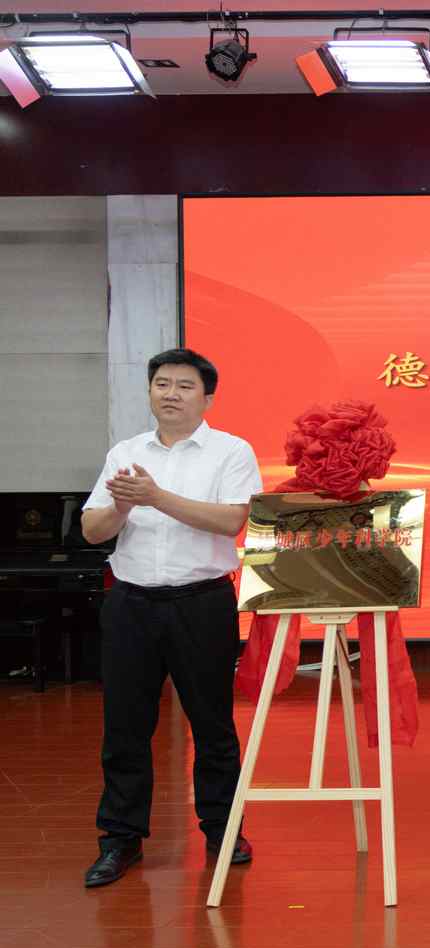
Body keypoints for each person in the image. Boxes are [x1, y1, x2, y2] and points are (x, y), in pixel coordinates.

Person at [79, 348, 262, 888]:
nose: (171, 394)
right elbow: (92, 530)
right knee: (125, 727)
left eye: (185, 386)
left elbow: (232, 520)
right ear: (150, 391)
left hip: (201, 603)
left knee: (212, 724)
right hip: (131, 603)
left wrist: (156, 496)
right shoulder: (125, 452)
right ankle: (120, 839)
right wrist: (123, 506)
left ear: (207, 398)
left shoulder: (231, 451)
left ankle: (224, 831)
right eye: (162, 384)